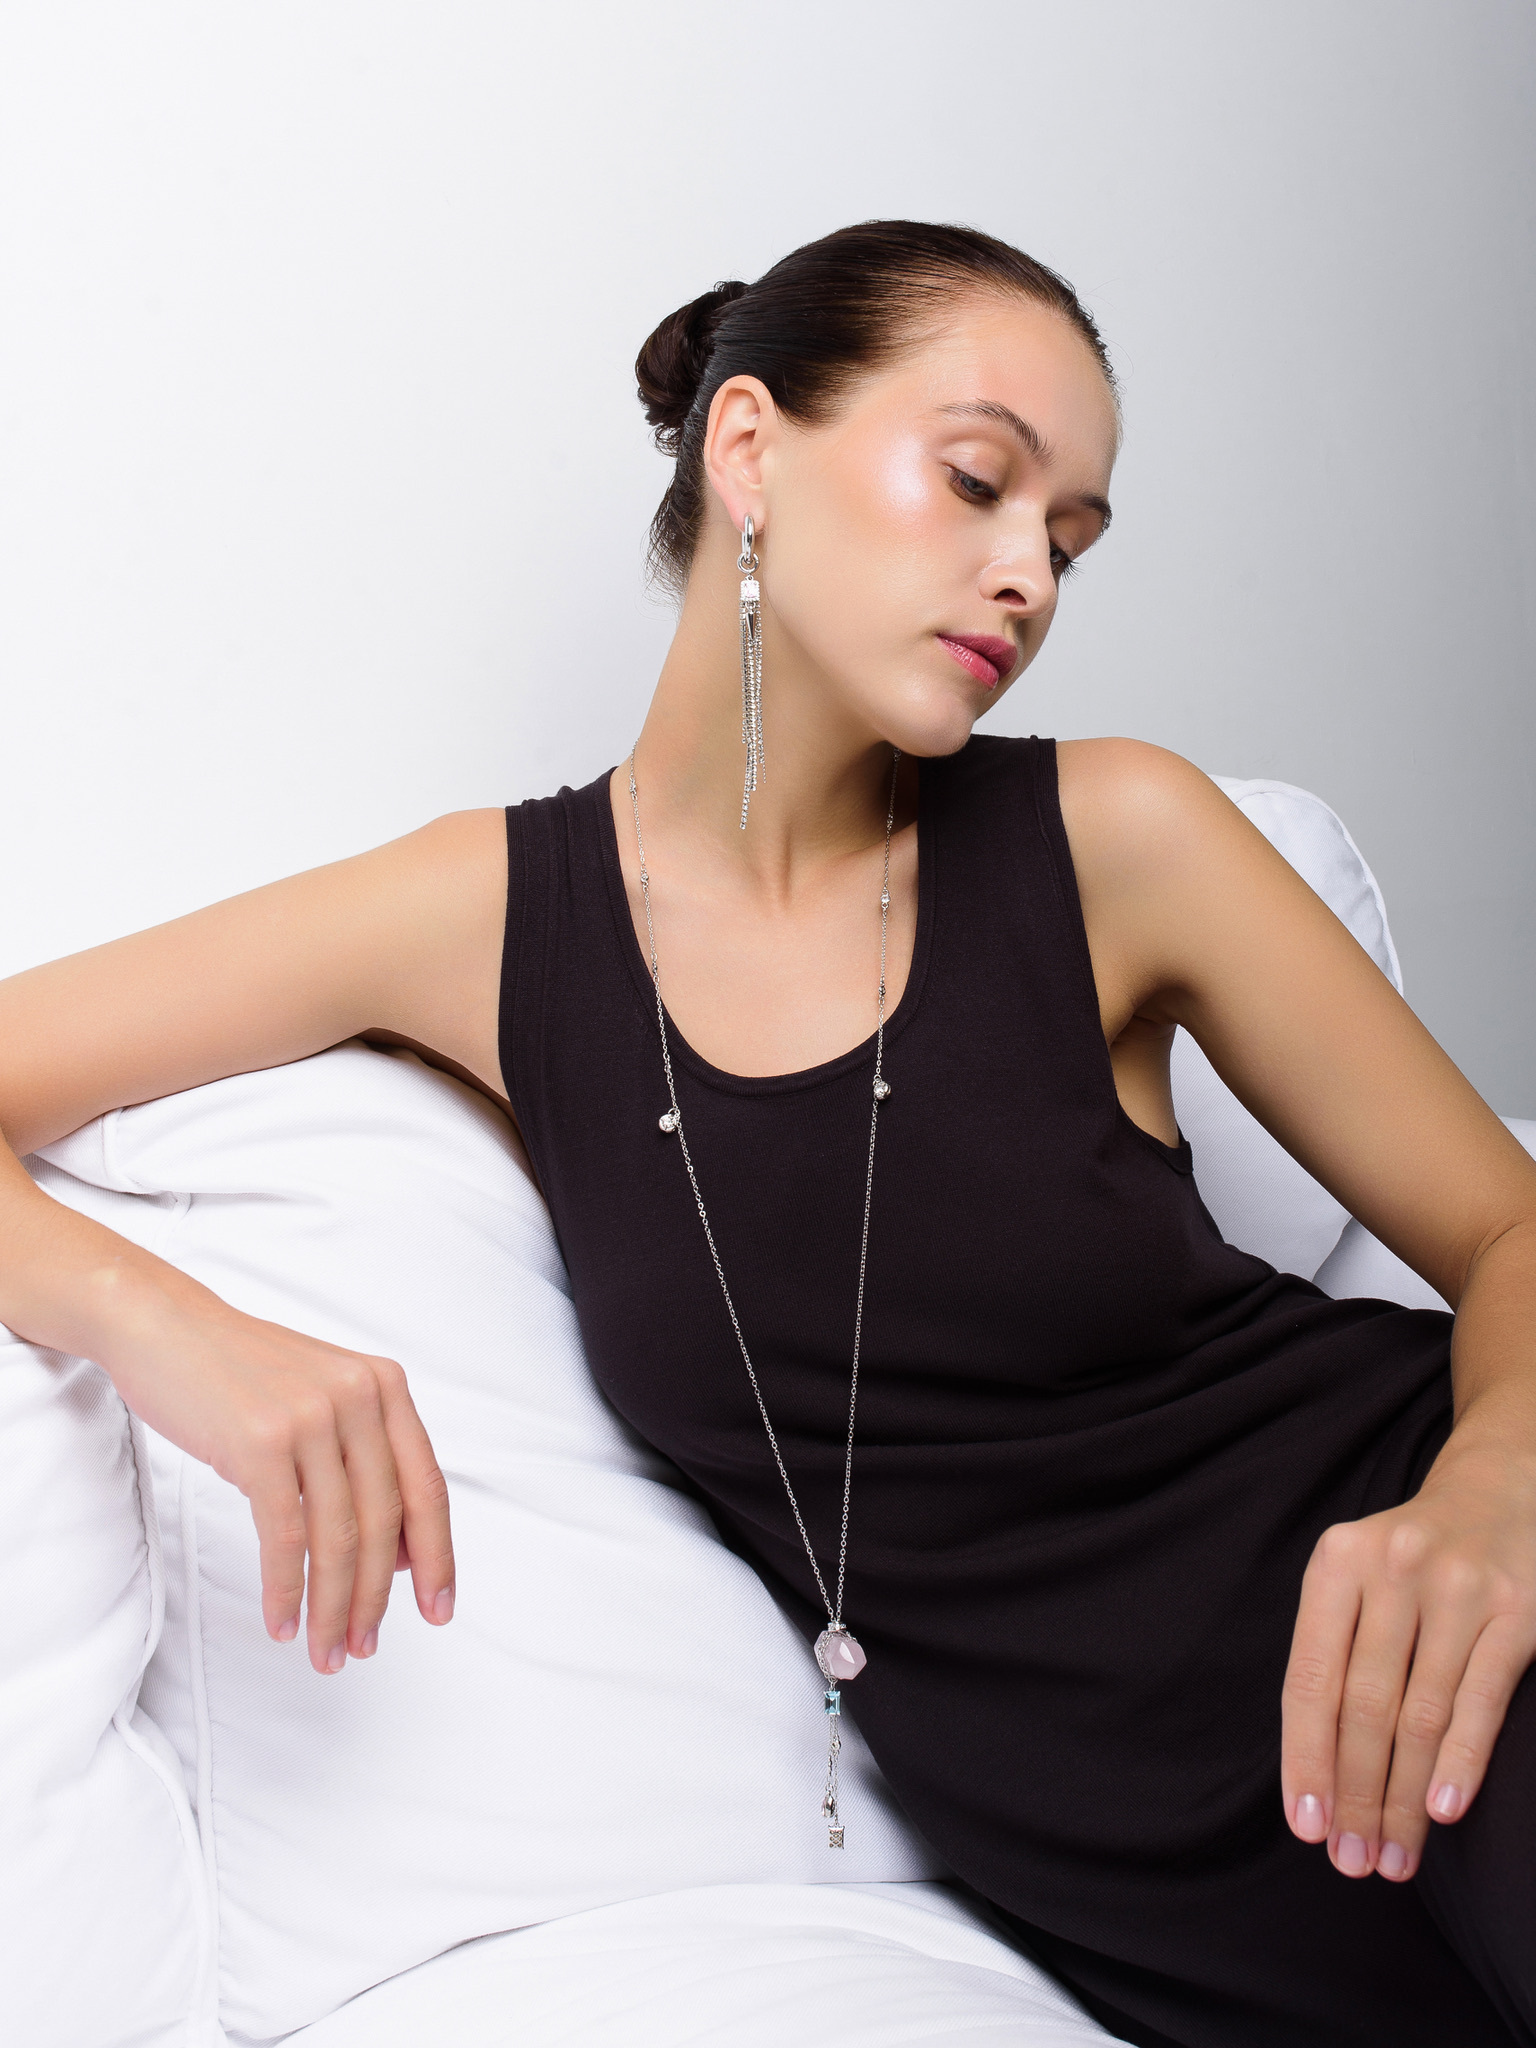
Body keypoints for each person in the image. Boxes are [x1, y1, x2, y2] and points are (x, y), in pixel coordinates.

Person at [2, 220, 1533, 2046]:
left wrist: (1491, 1495)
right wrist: (173, 1329)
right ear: (748, 447)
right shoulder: (484, 919)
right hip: (1195, 1873)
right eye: (978, 481)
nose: (1027, 575)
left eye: (1068, 540)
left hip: (1453, 1616)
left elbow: (1508, 1231)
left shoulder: (1124, 839)